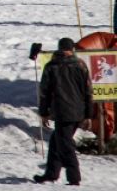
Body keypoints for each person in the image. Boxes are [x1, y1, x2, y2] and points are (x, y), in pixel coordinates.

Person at [34, 38, 92, 186]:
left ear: (59, 48)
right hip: (77, 111)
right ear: (72, 49)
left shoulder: (52, 66)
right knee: (56, 141)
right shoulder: (81, 65)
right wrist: (88, 115)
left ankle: (74, 177)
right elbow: (88, 92)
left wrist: (43, 112)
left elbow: (44, 92)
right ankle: (51, 173)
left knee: (65, 144)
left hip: (61, 111)